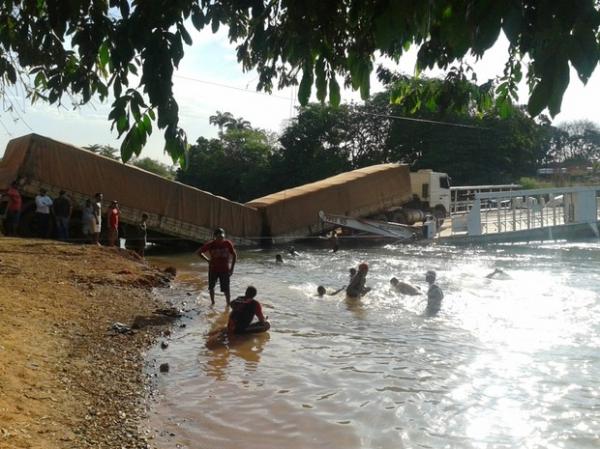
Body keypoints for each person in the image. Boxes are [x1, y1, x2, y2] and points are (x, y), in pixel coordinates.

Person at [197, 227, 237, 305]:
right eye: (218, 237)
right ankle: (213, 303)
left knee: (226, 289)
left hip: (225, 270)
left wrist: (232, 269)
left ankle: (228, 305)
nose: (220, 239)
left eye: (222, 237)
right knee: (211, 287)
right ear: (215, 237)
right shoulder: (210, 244)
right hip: (213, 269)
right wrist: (208, 260)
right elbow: (199, 252)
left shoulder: (227, 243)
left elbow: (234, 255)